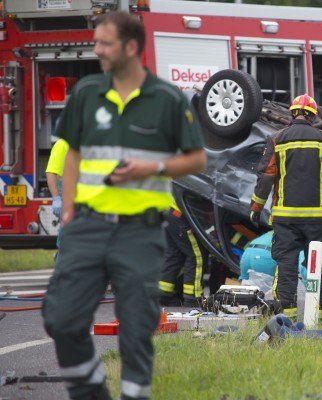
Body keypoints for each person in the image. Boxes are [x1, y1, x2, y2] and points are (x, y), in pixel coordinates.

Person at [42, 11, 205, 400]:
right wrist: (68, 210)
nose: (97, 50)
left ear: (131, 47)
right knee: (61, 319)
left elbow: (196, 158)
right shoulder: (86, 94)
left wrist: (154, 167)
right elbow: (71, 153)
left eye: (105, 43)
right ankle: (91, 391)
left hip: (139, 230)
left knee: (136, 327)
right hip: (87, 225)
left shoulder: (167, 99)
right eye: (95, 42)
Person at [249, 94, 322, 320]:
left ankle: (287, 316)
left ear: (292, 113)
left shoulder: (277, 139)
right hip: (317, 219)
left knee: (286, 264)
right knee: (319, 265)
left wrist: (256, 208)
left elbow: (266, 178)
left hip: (285, 219)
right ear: (313, 116)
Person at [159, 201, 204, 307]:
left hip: (169, 212)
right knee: (196, 256)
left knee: (174, 255)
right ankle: (193, 297)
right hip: (180, 214)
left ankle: (163, 294)